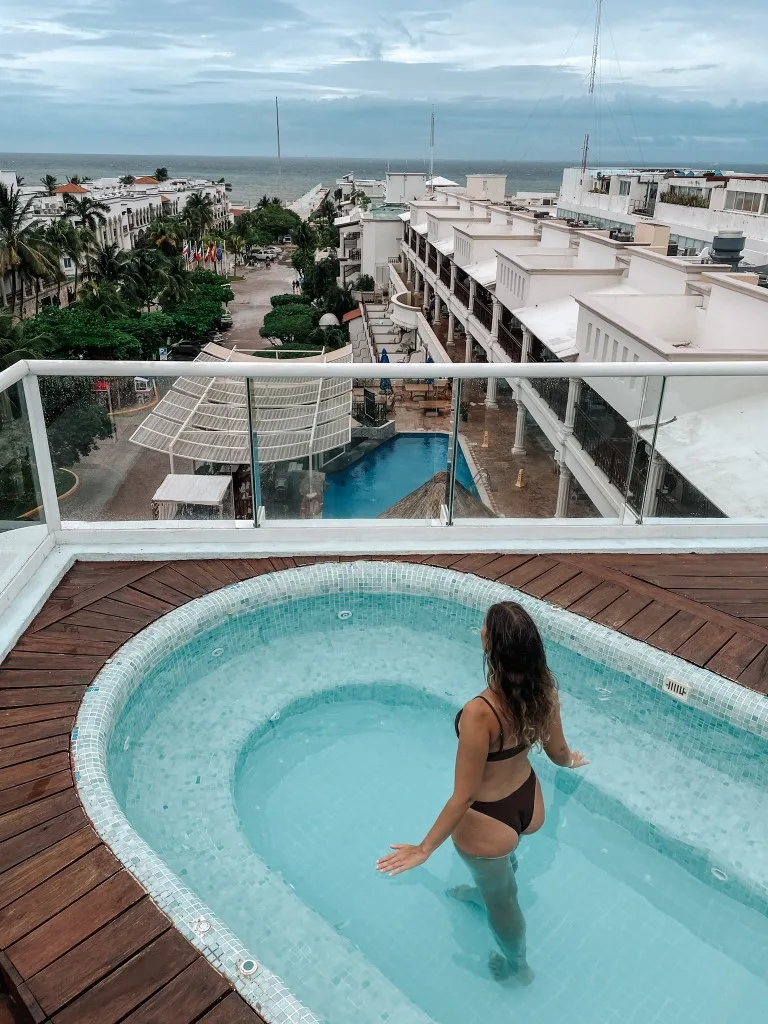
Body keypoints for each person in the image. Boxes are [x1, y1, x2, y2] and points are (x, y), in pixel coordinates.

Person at [376, 601, 587, 983]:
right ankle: (489, 885)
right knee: (498, 874)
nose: (479, 633)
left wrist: (423, 850)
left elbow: (465, 796)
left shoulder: (480, 713)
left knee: (502, 902)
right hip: (528, 802)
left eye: (484, 630)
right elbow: (558, 754)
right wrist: (573, 762)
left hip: (489, 821)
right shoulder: (545, 691)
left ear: (490, 647)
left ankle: (518, 967)